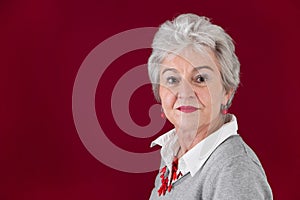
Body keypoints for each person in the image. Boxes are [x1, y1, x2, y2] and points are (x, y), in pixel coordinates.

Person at [147, 13, 273, 199]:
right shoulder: (173, 153)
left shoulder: (233, 170)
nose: (185, 93)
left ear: (227, 91)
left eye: (200, 79)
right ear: (159, 91)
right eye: (172, 80)